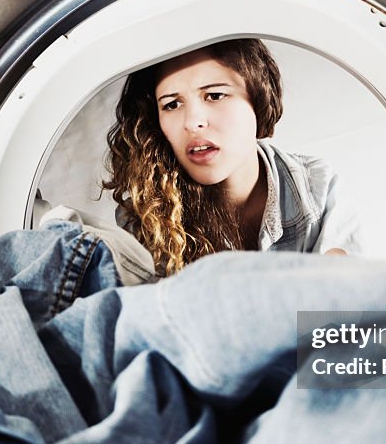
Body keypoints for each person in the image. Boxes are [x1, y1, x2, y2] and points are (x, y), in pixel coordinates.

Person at [103, 38, 366, 276]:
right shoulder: (145, 216)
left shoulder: (317, 186)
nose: (193, 122)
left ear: (258, 99)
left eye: (215, 95)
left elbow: (340, 311)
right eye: (172, 104)